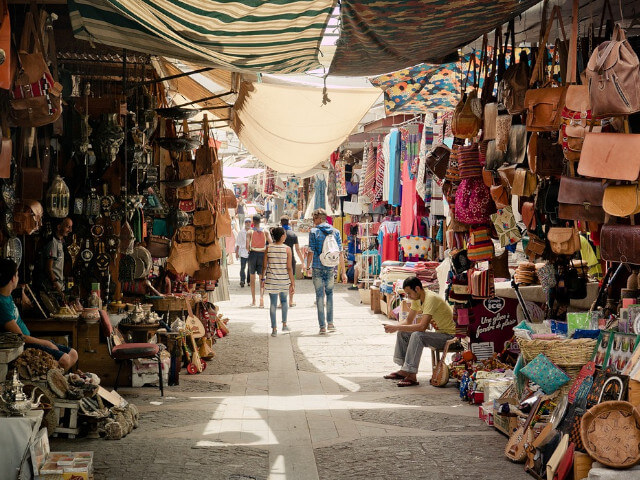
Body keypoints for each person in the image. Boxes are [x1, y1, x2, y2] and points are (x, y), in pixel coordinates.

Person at [0, 259, 78, 370]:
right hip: (24, 345)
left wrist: (22, 292)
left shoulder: (7, 294)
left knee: (73, 353)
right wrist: (46, 343)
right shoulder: (1, 304)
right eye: (17, 275)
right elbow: (20, 338)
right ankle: (51, 380)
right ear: (13, 278)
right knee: (65, 360)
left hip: (29, 339)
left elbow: (19, 288)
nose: (18, 278)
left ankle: (54, 378)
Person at [383, 276, 455, 387]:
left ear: (417, 289)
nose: (408, 296)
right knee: (403, 333)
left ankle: (411, 374)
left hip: (451, 337)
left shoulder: (430, 298)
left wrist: (396, 327)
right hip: (440, 334)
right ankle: (405, 370)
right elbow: (408, 320)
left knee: (417, 335)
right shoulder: (417, 299)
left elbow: (422, 327)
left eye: (409, 293)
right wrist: (394, 326)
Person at [305, 208, 347, 334]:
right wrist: (343, 272)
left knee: (319, 296)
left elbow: (311, 251)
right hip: (330, 267)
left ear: (319, 218)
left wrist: (307, 267)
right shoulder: (336, 232)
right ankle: (331, 323)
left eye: (314, 219)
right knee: (330, 295)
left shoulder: (314, 231)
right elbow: (340, 253)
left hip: (317, 267)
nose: (313, 222)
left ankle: (322, 326)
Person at [261, 227, 295, 337]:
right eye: (284, 235)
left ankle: (274, 329)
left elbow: (264, 266)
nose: (285, 236)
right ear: (281, 236)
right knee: (284, 301)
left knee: (273, 304)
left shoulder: (268, 248)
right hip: (284, 279)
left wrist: (262, 279)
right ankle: (284, 325)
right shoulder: (287, 249)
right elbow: (289, 267)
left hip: (271, 279)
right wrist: (292, 282)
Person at [34, 217, 72, 299]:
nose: (70, 230)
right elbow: (49, 268)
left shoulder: (61, 242)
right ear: (59, 227)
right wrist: (56, 285)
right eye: (68, 227)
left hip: (58, 287)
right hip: (51, 289)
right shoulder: (53, 243)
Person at [246, 214, 272, 308]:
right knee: (262, 278)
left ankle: (253, 300)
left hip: (253, 254)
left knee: (252, 278)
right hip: (262, 255)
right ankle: (262, 298)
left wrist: (250, 249)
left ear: (253, 221)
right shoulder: (265, 231)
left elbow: (247, 246)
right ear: (260, 221)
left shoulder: (249, 232)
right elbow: (271, 242)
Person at [280, 215, 303, 307]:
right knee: (291, 280)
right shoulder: (293, 234)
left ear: (281, 223)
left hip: (280, 259)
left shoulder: (278, 233)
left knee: (280, 280)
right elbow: (297, 249)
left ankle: (281, 301)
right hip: (291, 260)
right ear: (289, 222)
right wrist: (302, 261)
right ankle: (290, 300)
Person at [235, 218, 252, 287]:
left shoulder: (253, 231)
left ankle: (249, 281)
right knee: (242, 267)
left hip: (251, 252)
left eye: (249, 222)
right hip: (242, 252)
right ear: (244, 223)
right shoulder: (241, 232)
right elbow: (238, 243)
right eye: (246, 222)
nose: (248, 223)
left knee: (250, 268)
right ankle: (242, 280)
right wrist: (236, 253)